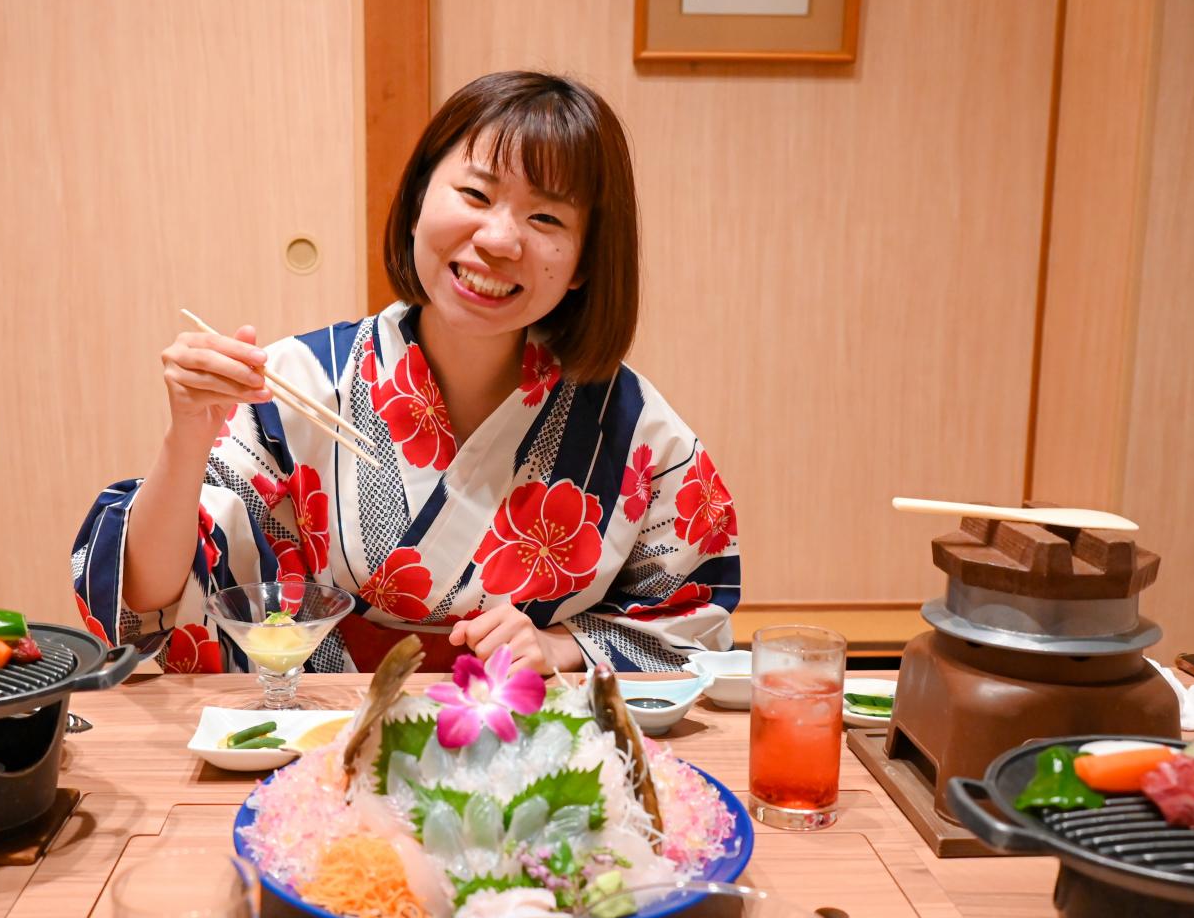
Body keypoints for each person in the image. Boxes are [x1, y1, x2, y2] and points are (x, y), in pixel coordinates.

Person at [72, 71, 740, 675]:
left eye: (545, 217)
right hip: (323, 735)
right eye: (476, 193)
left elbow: (692, 623)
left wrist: (560, 646)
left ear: (585, 262)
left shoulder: (632, 428)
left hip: (527, 743)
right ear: (420, 197)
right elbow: (150, 597)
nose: (500, 240)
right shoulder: (300, 383)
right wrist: (187, 437)